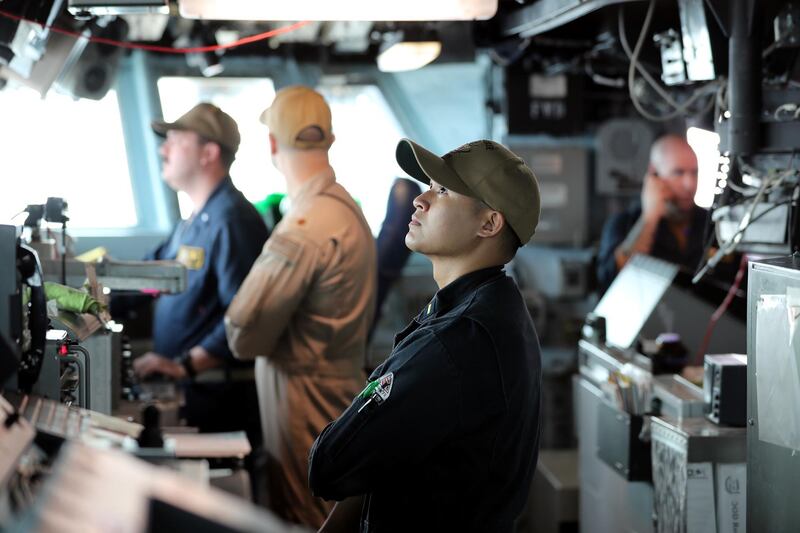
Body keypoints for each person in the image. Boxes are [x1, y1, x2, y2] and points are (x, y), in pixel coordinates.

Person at [308, 138, 543, 533]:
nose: (420, 199)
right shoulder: (492, 308)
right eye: (430, 186)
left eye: (443, 190)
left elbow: (330, 466)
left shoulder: (458, 341)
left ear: (489, 224)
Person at [224, 86, 377, 528]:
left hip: (303, 400)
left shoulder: (308, 224)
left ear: (272, 143)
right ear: (328, 139)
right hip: (334, 387)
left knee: (304, 518)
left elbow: (242, 331)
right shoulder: (343, 208)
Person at [131, 103, 267, 453]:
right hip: (193, 390)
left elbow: (245, 315)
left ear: (208, 152)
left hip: (217, 396)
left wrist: (185, 366)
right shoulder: (191, 223)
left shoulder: (231, 220)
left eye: (175, 140)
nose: (164, 149)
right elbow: (146, 277)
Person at [596, 134, 707, 292]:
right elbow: (611, 281)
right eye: (678, 173)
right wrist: (650, 218)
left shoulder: (713, 225)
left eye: (694, 173)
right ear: (654, 174)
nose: (689, 184)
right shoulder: (624, 224)